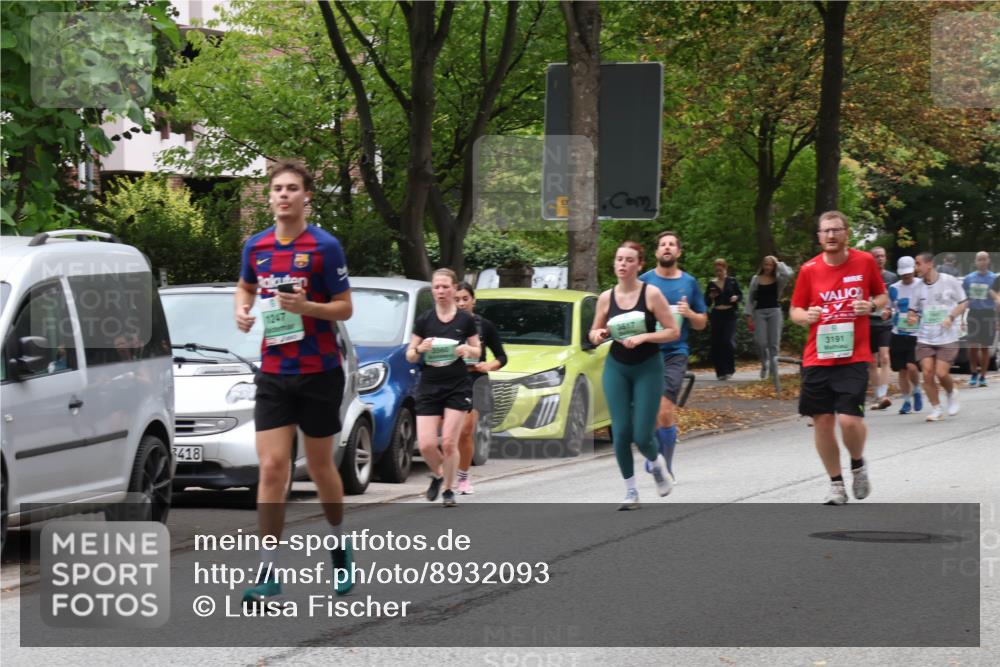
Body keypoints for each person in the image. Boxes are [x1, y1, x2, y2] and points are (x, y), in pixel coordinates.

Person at [236, 160, 354, 603]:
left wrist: (309, 309)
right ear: (269, 196)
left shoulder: (325, 247)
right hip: (273, 371)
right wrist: (241, 310)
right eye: (277, 189)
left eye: (292, 189)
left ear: (307, 197)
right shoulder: (257, 245)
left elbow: (344, 308)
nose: (283, 195)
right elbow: (245, 286)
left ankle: (339, 545)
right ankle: (269, 572)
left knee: (322, 468)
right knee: (271, 468)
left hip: (319, 371)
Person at [790, 211, 887, 505]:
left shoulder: (865, 262)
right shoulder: (809, 269)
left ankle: (857, 463)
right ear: (819, 237)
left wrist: (869, 305)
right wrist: (806, 316)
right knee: (822, 421)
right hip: (817, 358)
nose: (830, 236)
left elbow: (882, 297)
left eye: (836, 230)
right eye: (825, 231)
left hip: (853, 356)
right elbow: (794, 311)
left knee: (848, 420)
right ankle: (836, 484)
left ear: (847, 233)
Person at [589, 241, 680, 509]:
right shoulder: (606, 298)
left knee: (641, 435)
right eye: (619, 259)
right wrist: (599, 334)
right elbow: (593, 333)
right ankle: (631, 492)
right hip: (617, 367)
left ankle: (657, 463)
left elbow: (672, 330)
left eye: (629, 260)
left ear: (639, 265)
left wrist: (644, 337)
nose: (622, 264)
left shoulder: (651, 294)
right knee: (620, 432)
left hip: (647, 368)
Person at [407, 268, 481, 507]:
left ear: (453, 288)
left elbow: (477, 350)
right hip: (429, 385)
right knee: (427, 444)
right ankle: (440, 475)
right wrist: (420, 350)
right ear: (432, 290)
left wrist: (467, 351)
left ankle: (449, 490)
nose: (440, 291)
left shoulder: (465, 320)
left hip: (457, 385)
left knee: (449, 441)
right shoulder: (424, 320)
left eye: (445, 287)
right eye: (436, 287)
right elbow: (409, 355)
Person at [639, 230, 708, 482]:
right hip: (647, 352)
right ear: (657, 252)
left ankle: (664, 466)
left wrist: (689, 313)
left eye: (671, 245)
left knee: (665, 410)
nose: (667, 248)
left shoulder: (689, 283)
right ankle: (655, 455)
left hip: (674, 354)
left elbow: (702, 323)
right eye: (662, 245)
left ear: (678, 252)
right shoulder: (644, 281)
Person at [454, 281, 507, 495]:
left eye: (465, 299)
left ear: (473, 300)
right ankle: (446, 472)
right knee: (449, 432)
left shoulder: (484, 325)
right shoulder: (446, 323)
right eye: (457, 299)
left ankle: (463, 478)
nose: (461, 303)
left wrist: (488, 365)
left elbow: (502, 356)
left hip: (476, 380)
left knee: (466, 430)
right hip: (451, 380)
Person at [911, 252, 967, 422]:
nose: (916, 268)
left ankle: (951, 392)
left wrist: (950, 317)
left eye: (918, 263)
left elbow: (963, 303)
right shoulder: (917, 287)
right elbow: (912, 311)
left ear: (929, 264)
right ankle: (936, 408)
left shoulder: (949, 281)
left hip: (947, 337)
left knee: (941, 374)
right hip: (925, 337)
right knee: (927, 374)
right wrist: (911, 317)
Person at [885, 257, 923, 414]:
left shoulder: (921, 286)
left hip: (915, 333)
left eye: (908, 273)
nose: (906, 277)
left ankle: (917, 390)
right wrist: (886, 313)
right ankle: (906, 401)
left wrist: (918, 316)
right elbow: (888, 307)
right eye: (903, 274)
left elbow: (927, 306)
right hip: (898, 333)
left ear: (913, 270)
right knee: (901, 370)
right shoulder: (893, 288)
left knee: (912, 367)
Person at [745, 255, 794, 379]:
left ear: (774, 266)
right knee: (760, 342)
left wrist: (778, 262)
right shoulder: (756, 279)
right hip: (759, 312)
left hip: (774, 312)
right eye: (766, 264)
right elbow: (750, 298)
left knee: (774, 343)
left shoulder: (779, 279)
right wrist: (748, 315)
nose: (767, 267)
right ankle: (764, 363)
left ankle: (773, 373)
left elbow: (789, 274)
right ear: (762, 265)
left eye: (770, 264)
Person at [867, 246, 898, 410]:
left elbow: (896, 300)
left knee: (885, 357)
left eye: (882, 256)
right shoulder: (865, 276)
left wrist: (890, 310)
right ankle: (878, 395)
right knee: (872, 361)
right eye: (877, 256)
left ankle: (884, 394)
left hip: (885, 322)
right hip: (868, 322)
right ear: (871, 258)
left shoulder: (891, 277)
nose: (880, 258)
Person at [705, 258, 743, 380]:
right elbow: (706, 301)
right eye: (716, 271)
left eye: (720, 270)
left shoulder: (732, 281)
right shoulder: (712, 284)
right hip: (717, 314)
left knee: (727, 341)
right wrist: (710, 297)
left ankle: (729, 369)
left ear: (725, 269)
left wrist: (736, 297)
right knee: (716, 343)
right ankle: (720, 372)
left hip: (730, 314)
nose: (718, 273)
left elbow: (740, 295)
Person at [962, 251, 996, 387]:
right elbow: (963, 299)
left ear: (988, 261)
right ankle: (973, 372)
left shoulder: (994, 278)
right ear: (975, 262)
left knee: (985, 347)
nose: (982, 262)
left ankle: (983, 376)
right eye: (979, 259)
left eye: (984, 259)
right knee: (972, 346)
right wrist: (961, 318)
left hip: (988, 313)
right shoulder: (969, 278)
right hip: (974, 313)